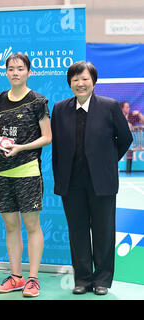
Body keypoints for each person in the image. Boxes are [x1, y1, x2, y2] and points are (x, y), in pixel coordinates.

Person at [51, 61, 133, 295]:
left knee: (103, 230)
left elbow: (125, 138)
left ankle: (102, 280)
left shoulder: (110, 106)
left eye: (85, 79)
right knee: (77, 231)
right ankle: (83, 279)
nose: (80, 83)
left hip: (102, 181)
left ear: (93, 82)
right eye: (75, 80)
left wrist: (107, 162)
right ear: (70, 83)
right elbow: (57, 146)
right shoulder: (59, 109)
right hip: (71, 181)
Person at [0, 53, 52, 297]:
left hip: (28, 172)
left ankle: (33, 279)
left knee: (32, 225)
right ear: (6, 72)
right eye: (11, 69)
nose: (15, 72)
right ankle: (16, 276)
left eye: (20, 68)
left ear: (28, 72)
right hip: (2, 173)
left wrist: (21, 147)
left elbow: (47, 137)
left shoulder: (38, 101)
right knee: (11, 226)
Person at [120, 101, 144, 173]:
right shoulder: (117, 116)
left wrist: (139, 114)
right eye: (127, 107)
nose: (129, 108)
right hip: (119, 139)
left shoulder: (131, 117)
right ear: (122, 108)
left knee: (130, 147)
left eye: (129, 107)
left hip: (131, 141)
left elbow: (143, 121)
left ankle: (128, 171)